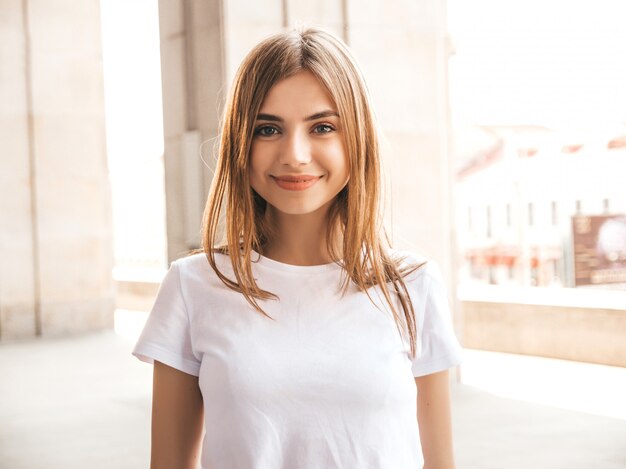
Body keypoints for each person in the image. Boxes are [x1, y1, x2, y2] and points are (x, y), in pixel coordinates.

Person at [133, 27, 463, 469]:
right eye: (268, 129)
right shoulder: (192, 286)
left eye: (322, 127)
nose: (295, 154)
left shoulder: (412, 285)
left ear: (357, 139)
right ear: (239, 144)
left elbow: (439, 464)